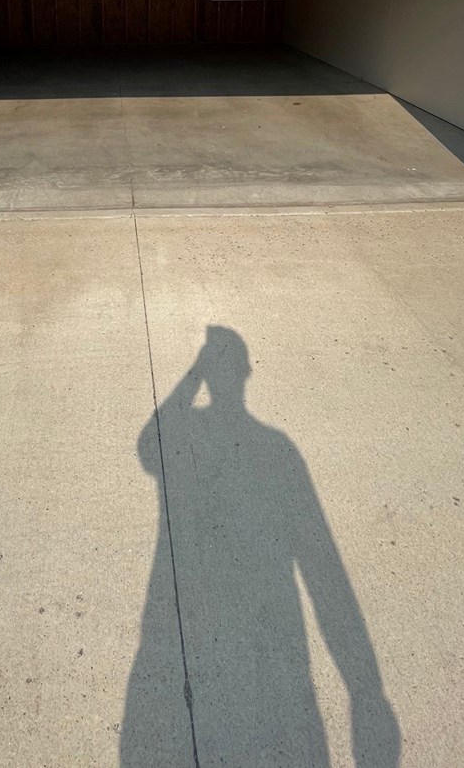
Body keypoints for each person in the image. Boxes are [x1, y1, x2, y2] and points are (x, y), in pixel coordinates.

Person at [120, 326, 400, 767]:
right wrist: (365, 689)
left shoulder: (194, 431)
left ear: (214, 374)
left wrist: (196, 372)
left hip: (191, 632)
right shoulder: (278, 450)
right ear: (247, 374)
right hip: (278, 645)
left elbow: (150, 439)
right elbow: (324, 572)